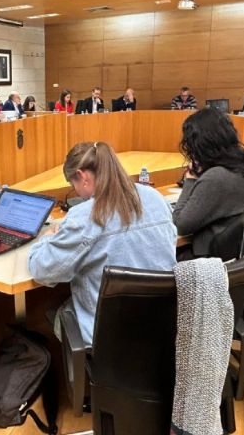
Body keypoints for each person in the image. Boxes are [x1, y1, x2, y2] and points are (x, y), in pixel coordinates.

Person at [28, 141, 177, 344]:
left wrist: (46, 238)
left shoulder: (83, 216)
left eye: (73, 186)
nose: (77, 192)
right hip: (161, 326)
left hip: (109, 335)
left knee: (52, 308)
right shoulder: (155, 198)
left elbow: (42, 270)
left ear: (82, 176)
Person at [173, 108, 244, 259]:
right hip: (242, 253)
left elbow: (180, 224)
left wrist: (190, 179)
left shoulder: (215, 178)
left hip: (212, 257)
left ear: (199, 144)